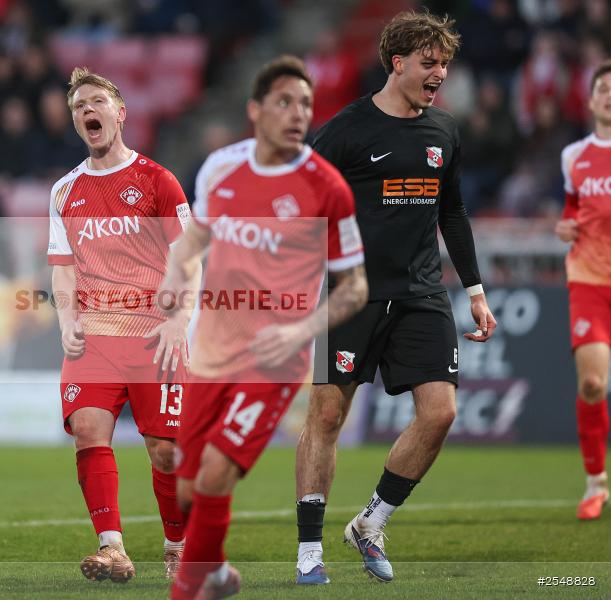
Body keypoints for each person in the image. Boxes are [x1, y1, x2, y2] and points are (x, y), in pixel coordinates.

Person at [293, 11, 498, 585]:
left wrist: (476, 290)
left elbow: (451, 211)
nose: (440, 74)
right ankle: (309, 550)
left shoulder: (445, 131)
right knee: (327, 416)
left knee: (441, 413)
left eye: (445, 64)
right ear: (398, 62)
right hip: (349, 295)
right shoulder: (345, 130)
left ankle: (371, 522)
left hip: (421, 293)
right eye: (429, 63)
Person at [162, 55, 369, 599]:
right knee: (187, 490)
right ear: (255, 111)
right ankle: (217, 572)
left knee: (213, 476)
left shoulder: (327, 188)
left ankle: (187, 589)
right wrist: (172, 275)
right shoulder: (220, 170)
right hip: (210, 351)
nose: (298, 112)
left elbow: (355, 288)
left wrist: (301, 333)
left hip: (274, 357)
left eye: (305, 102)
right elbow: (195, 238)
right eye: (284, 102)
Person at [47, 67, 196, 583]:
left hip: (155, 334)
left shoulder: (157, 180)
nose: (87, 110)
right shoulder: (65, 191)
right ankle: (113, 548)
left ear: (119, 112)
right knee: (88, 432)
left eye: (96, 101)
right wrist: (66, 319)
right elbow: (62, 267)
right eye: (77, 106)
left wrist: (179, 322)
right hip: (95, 338)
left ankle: (178, 545)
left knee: (167, 451)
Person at [555, 59, 611, 521]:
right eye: (603, 88)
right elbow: (573, 207)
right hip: (590, 279)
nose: (609, 94)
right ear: (591, 99)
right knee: (593, 384)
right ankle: (596, 484)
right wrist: (566, 226)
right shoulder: (574, 156)